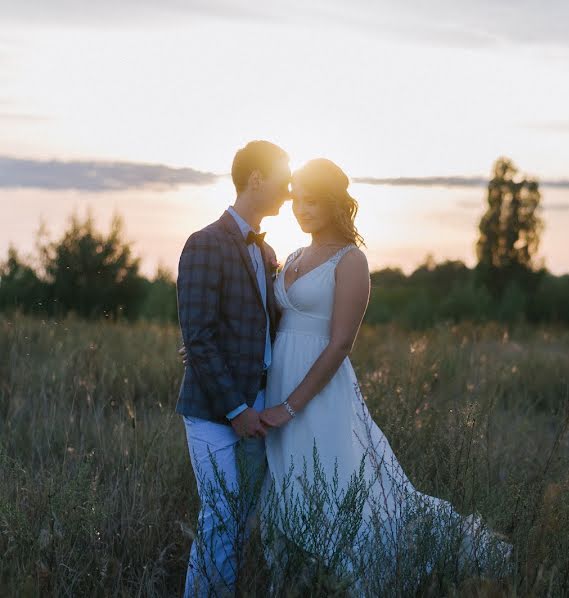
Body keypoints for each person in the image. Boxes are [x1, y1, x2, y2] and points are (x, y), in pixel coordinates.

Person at [256, 158, 511, 591]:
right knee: (287, 481)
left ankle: (380, 570)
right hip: (279, 380)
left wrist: (289, 406)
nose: (301, 209)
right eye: (297, 199)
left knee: (337, 480)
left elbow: (340, 344)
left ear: (336, 203)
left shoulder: (350, 261)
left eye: (312, 201)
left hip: (316, 392)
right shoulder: (294, 255)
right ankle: (289, 578)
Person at [176, 140, 291, 596]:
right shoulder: (203, 243)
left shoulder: (267, 252)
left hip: (261, 406)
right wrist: (236, 409)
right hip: (212, 410)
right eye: (283, 178)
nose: (288, 189)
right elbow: (198, 337)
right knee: (220, 516)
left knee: (241, 523)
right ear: (257, 179)